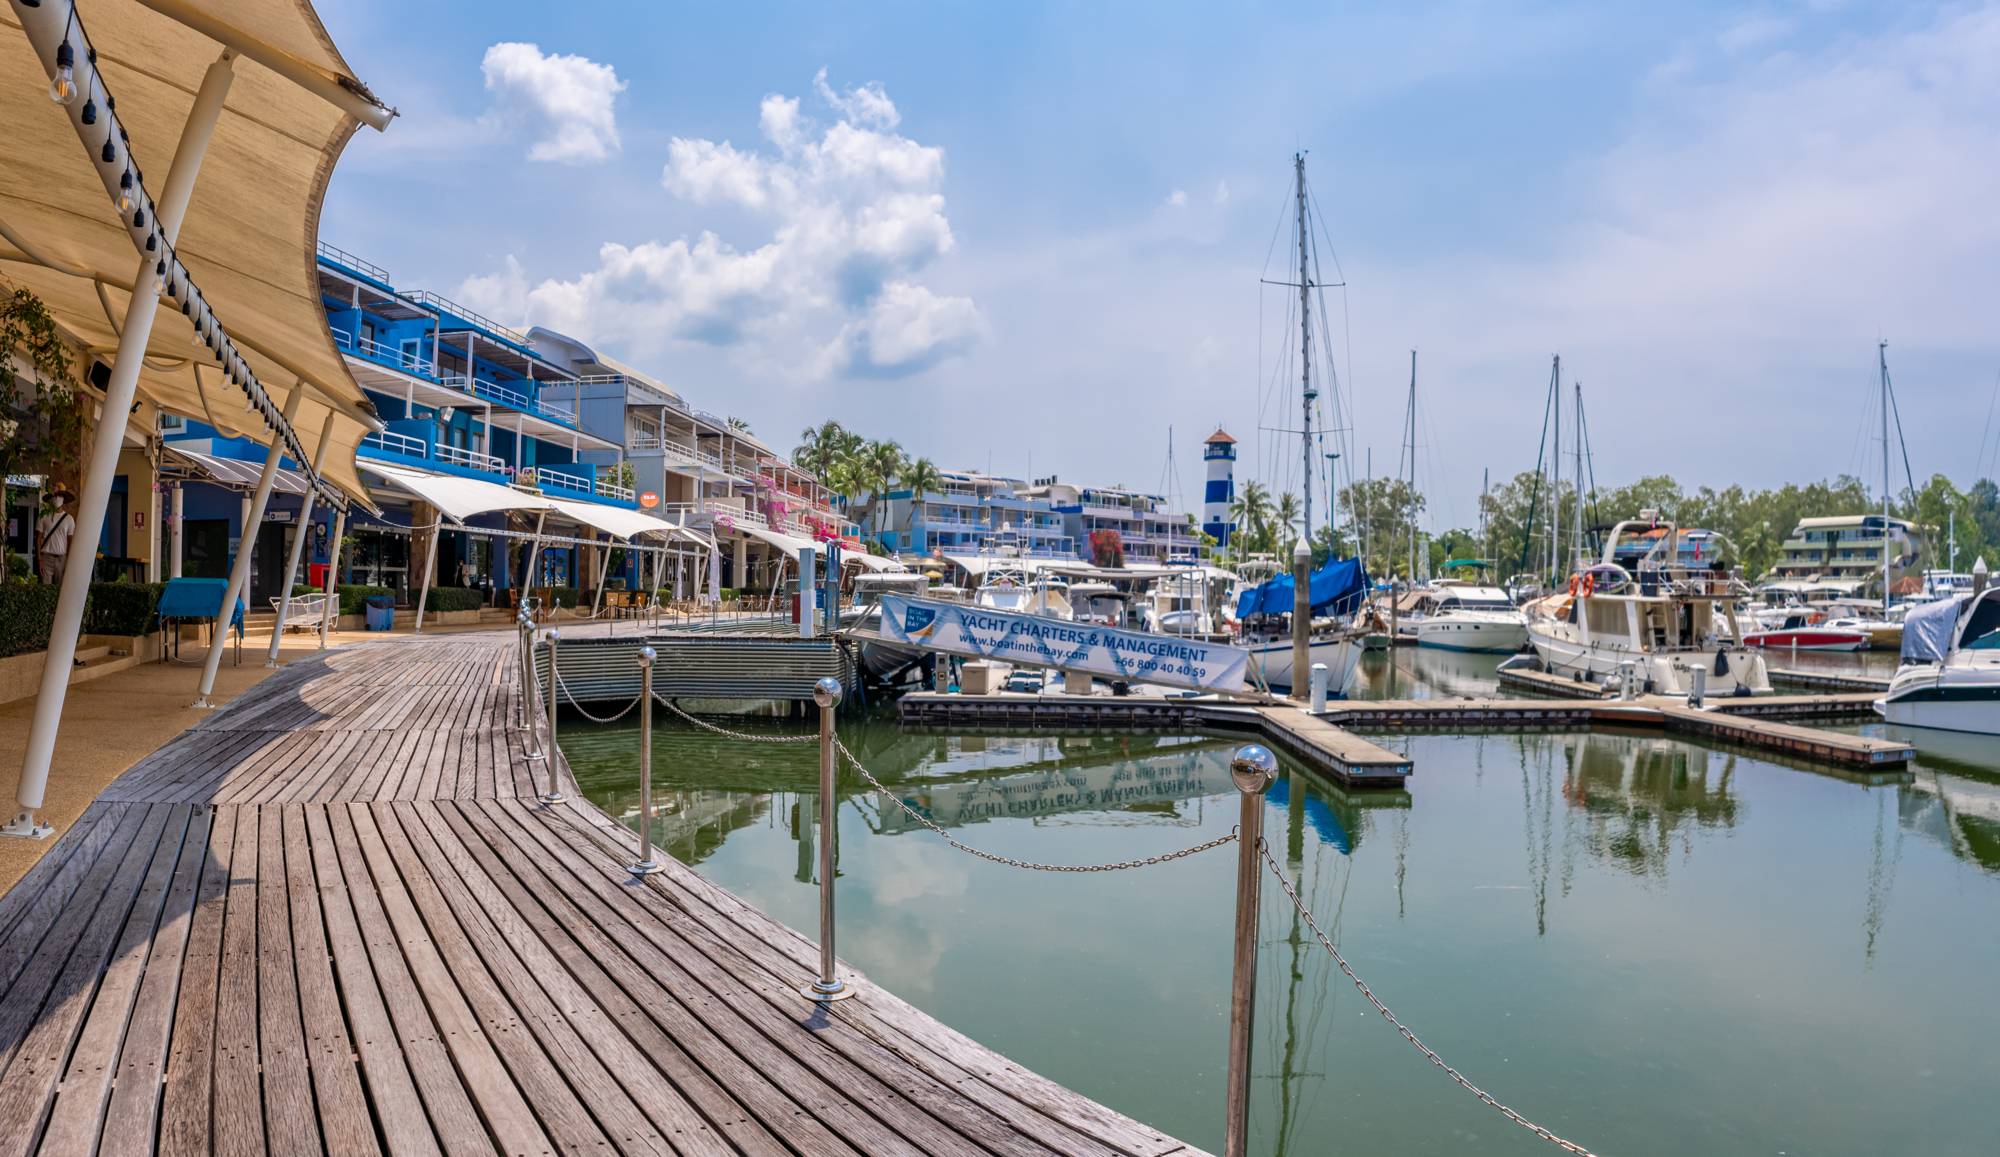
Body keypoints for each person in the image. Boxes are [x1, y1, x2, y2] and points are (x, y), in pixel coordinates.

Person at [36, 490, 75, 586]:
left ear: (63, 499)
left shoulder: (69, 519)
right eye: (55, 495)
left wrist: (70, 563)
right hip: (46, 558)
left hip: (62, 559)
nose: (57, 497)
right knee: (45, 590)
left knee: (60, 591)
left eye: (60, 495)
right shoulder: (43, 516)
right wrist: (39, 560)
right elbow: (38, 539)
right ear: (50, 498)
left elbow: (70, 542)